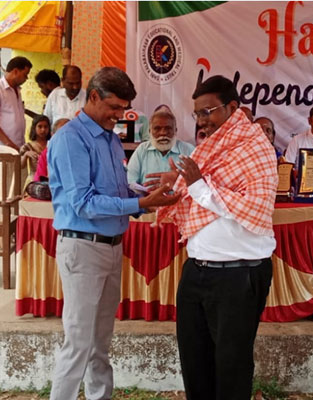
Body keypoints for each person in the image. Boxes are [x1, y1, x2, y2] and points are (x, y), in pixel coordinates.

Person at [47, 67, 180, 400]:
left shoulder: (109, 138)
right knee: (78, 342)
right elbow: (83, 203)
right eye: (115, 107)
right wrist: (140, 202)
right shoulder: (71, 138)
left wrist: (145, 196)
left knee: (100, 342)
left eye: (123, 108)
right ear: (93, 97)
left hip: (111, 246)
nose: (119, 115)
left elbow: (116, 191)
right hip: (83, 247)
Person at [157, 75, 277, 400]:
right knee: (195, 363)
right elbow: (201, 187)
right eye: (197, 113)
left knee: (231, 366)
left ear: (232, 107)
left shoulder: (257, 149)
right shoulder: (210, 149)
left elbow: (253, 206)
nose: (202, 121)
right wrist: (178, 182)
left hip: (239, 275)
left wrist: (196, 185)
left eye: (207, 112)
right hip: (197, 270)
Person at [127, 110, 194, 187]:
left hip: (180, 194)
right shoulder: (142, 150)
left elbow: (198, 183)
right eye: (157, 128)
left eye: (168, 128)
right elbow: (131, 181)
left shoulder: (189, 150)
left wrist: (179, 183)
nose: (163, 133)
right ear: (150, 131)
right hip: (147, 194)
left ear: (175, 131)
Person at [0, 56, 32, 151]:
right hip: (4, 148)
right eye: (25, 74)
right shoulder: (1, 89)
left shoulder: (17, 90)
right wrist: (8, 143)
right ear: (15, 71)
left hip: (18, 146)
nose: (26, 78)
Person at [20, 115, 51, 185]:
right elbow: (21, 165)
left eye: (46, 127)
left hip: (50, 179)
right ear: (34, 128)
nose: (43, 129)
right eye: (40, 126)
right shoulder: (28, 146)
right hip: (33, 180)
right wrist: (26, 154)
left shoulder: (51, 144)